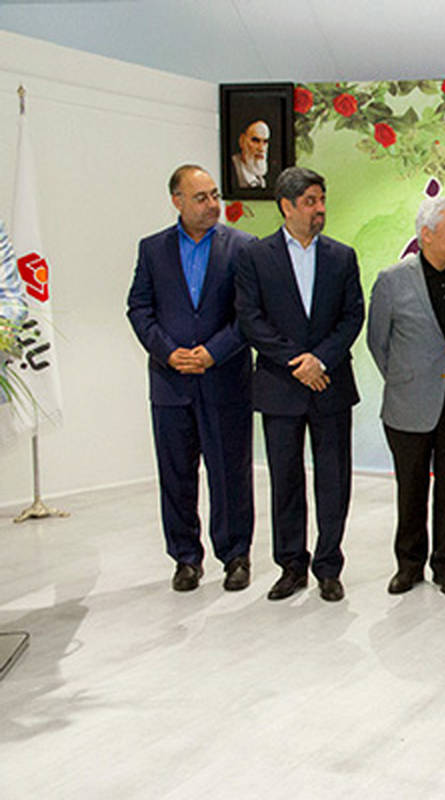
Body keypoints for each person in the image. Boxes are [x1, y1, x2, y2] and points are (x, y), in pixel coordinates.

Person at [235, 166, 364, 603]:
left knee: (334, 480)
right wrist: (298, 362)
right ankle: (291, 566)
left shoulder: (342, 257)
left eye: (321, 199)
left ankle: (329, 566)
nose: (319, 208)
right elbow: (251, 319)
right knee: (285, 481)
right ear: (286, 206)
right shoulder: (255, 256)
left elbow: (353, 316)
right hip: (281, 386)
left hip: (330, 384)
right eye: (310, 201)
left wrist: (320, 359)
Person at [126, 165, 256, 592]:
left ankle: (235, 556)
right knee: (176, 475)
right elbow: (139, 308)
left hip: (225, 380)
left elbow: (250, 314)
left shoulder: (243, 247)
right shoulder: (153, 249)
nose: (213, 204)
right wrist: (167, 352)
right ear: (177, 201)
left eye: (215, 195)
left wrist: (213, 352)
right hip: (171, 384)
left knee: (230, 473)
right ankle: (185, 558)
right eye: (201, 197)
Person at [367, 197, 445, 598]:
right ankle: (409, 565)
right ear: (426, 234)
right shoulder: (391, 281)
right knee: (411, 490)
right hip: (408, 405)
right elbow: (378, 342)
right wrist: (406, 379)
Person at [231, 120, 270, 189]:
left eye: (265, 142)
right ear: (242, 141)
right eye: (255, 140)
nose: (261, 149)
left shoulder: (262, 178)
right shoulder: (232, 170)